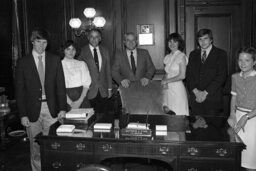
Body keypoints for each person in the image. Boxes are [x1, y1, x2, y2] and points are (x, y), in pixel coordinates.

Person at [15, 28, 66, 171]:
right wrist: (23, 114)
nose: (41, 45)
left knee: (54, 145)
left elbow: (60, 86)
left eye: (44, 42)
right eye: (38, 42)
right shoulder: (23, 62)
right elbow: (20, 91)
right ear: (32, 42)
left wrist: (62, 108)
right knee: (36, 147)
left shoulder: (55, 59)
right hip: (31, 111)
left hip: (52, 110)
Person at [186, 28, 228, 116]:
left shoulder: (220, 54)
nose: (203, 42)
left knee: (212, 128)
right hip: (195, 99)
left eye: (205, 38)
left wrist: (205, 93)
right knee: (195, 128)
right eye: (200, 39)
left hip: (212, 100)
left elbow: (221, 77)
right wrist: (196, 92)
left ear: (211, 40)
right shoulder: (193, 54)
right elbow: (189, 75)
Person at [227, 47, 256, 171]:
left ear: (254, 62)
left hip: (253, 118)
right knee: (236, 158)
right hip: (237, 116)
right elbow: (234, 97)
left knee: (250, 159)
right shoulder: (235, 77)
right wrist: (232, 114)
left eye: (247, 60)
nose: (243, 63)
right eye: (240, 60)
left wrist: (246, 117)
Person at [77, 29, 112, 117]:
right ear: (88, 38)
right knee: (90, 118)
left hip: (103, 90)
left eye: (96, 37)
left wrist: (110, 89)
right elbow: (78, 72)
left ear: (100, 38)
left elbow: (108, 70)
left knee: (104, 118)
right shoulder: (81, 51)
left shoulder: (105, 50)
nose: (94, 39)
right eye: (91, 37)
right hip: (89, 90)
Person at [161, 33, 189, 115]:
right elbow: (167, 73)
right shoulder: (167, 57)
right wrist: (164, 81)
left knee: (178, 113)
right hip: (167, 89)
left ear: (179, 43)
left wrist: (166, 81)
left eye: (175, 42)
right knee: (168, 113)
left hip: (177, 89)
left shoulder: (181, 56)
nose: (172, 44)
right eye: (170, 41)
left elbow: (182, 76)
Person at [61, 40, 91, 109]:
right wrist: (70, 103)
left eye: (73, 49)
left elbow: (86, 84)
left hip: (82, 97)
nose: (71, 52)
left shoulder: (82, 64)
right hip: (65, 98)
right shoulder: (58, 65)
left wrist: (79, 101)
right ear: (63, 50)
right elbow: (58, 86)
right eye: (68, 49)